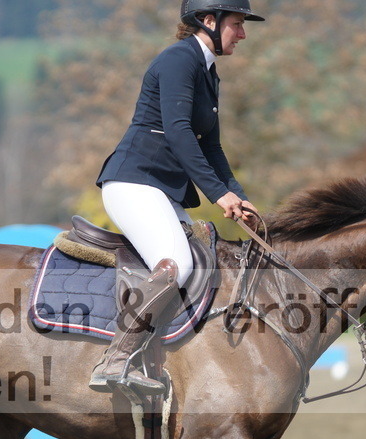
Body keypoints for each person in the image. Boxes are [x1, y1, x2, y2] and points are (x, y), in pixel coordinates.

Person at [90, 0, 264, 394]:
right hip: (134, 183)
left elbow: (212, 148)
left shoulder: (206, 71)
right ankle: (115, 360)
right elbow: (179, 133)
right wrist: (219, 195)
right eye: (237, 24)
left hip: (161, 189)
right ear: (209, 21)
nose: (242, 34)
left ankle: (161, 359)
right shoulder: (178, 61)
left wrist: (239, 196)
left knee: (204, 260)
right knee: (178, 264)